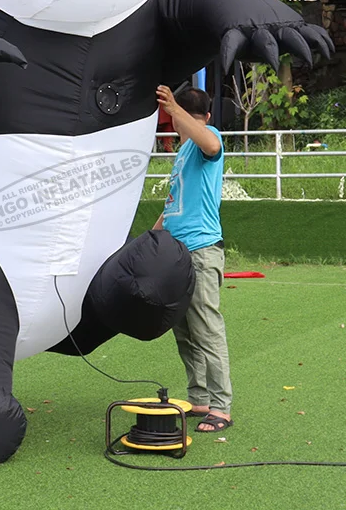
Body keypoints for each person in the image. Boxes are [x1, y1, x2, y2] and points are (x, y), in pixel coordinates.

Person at [152, 85, 233, 433]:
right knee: (183, 330)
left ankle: (221, 406)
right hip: (175, 253)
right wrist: (148, 240)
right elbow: (172, 205)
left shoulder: (208, 138)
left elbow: (212, 145)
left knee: (206, 329)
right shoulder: (183, 152)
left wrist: (174, 108)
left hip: (201, 252)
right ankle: (199, 398)